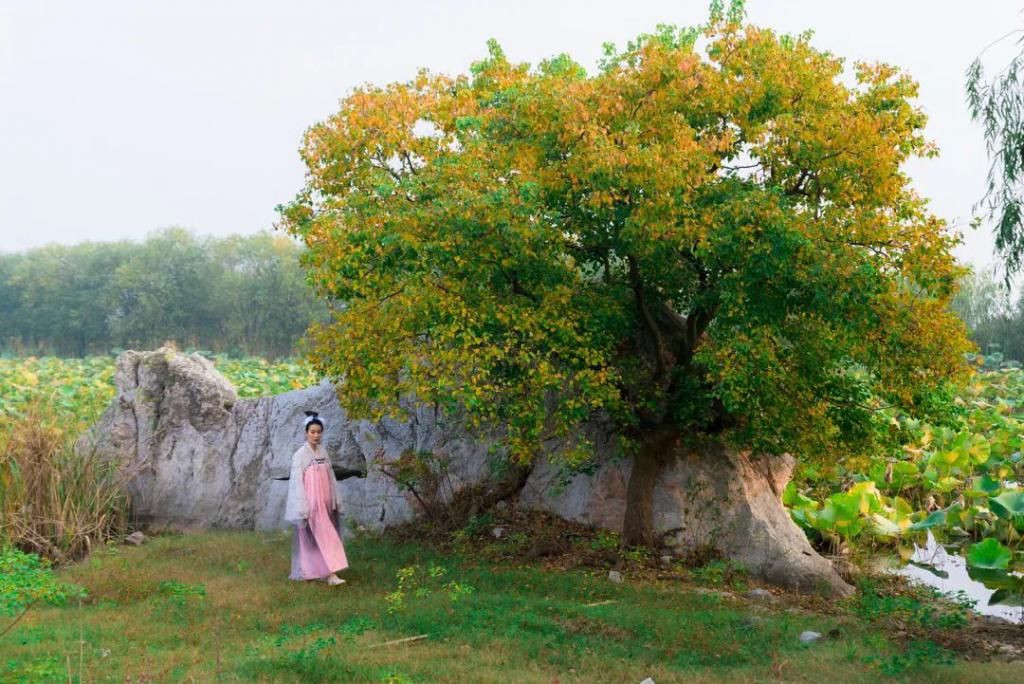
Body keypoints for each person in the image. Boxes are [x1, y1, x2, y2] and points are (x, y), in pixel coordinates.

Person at [284, 411, 349, 585]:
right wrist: (301, 506)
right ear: (306, 433)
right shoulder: (300, 455)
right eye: (312, 432)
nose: (315, 435)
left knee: (319, 537)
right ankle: (331, 574)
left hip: (325, 502)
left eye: (318, 432)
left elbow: (331, 478)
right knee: (324, 536)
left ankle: (310, 571)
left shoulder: (323, 452)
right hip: (312, 504)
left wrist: (335, 500)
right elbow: (297, 483)